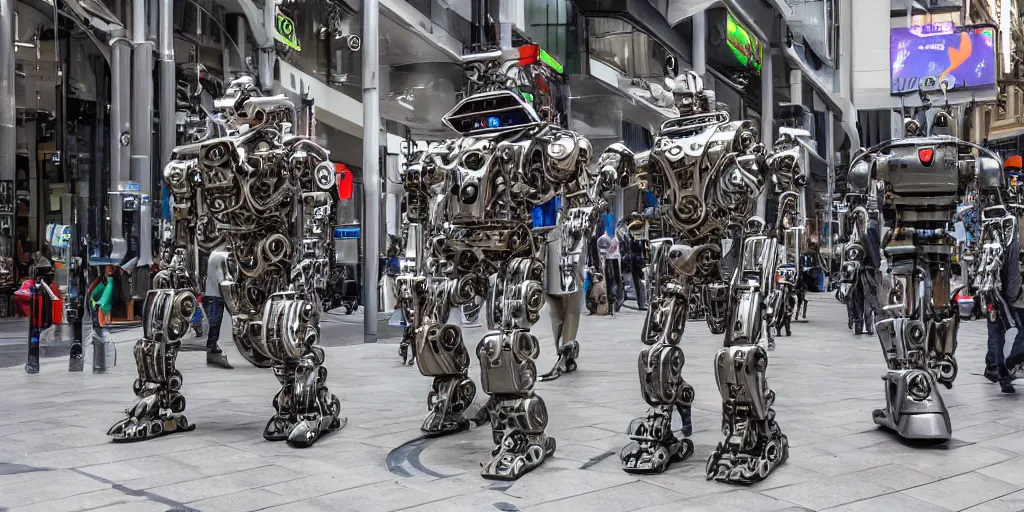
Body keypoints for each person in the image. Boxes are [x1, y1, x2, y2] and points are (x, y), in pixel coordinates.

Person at [985, 212, 1022, 394]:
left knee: (995, 329)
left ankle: (994, 365)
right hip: (999, 291)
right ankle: (1002, 370)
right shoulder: (1008, 225)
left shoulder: (990, 226)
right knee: (998, 329)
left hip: (995, 289)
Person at [204, 250, 233, 369]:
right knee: (214, 324)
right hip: (215, 296)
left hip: (211, 295)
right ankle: (211, 350)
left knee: (214, 324)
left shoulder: (214, 255)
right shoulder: (221, 257)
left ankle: (212, 349)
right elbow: (222, 281)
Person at [596, 225, 623, 312]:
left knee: (615, 280)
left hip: (614, 259)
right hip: (608, 260)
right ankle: (612, 300)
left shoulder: (614, 239)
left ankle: (617, 298)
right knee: (610, 281)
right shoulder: (603, 239)